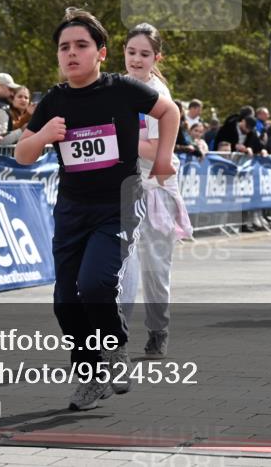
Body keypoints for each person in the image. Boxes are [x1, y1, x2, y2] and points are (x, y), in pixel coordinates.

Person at [14, 8, 179, 411]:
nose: (71, 54)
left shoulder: (121, 89)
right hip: (72, 209)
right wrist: (44, 137)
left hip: (118, 204)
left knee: (95, 284)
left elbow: (169, 111)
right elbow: (21, 154)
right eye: (64, 47)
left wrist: (162, 159)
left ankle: (116, 349)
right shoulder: (54, 99)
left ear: (101, 53)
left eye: (81, 46)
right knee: (64, 300)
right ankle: (89, 377)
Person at [118, 23, 192, 360]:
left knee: (155, 268)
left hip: (156, 189)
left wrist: (114, 137)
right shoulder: (116, 87)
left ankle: (158, 330)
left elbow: (157, 149)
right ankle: (113, 336)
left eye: (144, 54)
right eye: (131, 52)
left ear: (156, 57)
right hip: (123, 188)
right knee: (119, 263)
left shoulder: (157, 95)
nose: (136, 59)